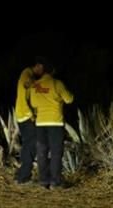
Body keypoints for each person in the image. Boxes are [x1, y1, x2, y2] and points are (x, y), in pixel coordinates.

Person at [29, 61, 74, 189]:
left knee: (42, 152)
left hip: (40, 123)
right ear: (53, 71)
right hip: (55, 122)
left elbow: (33, 104)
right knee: (55, 152)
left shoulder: (35, 86)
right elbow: (69, 99)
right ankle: (55, 182)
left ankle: (43, 181)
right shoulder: (57, 83)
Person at [14, 57, 45, 184]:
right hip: (26, 116)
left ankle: (21, 174)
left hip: (24, 115)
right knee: (30, 144)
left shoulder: (28, 75)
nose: (42, 72)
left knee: (29, 144)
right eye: (42, 68)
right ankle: (23, 176)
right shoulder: (27, 75)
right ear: (37, 65)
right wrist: (32, 116)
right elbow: (26, 88)